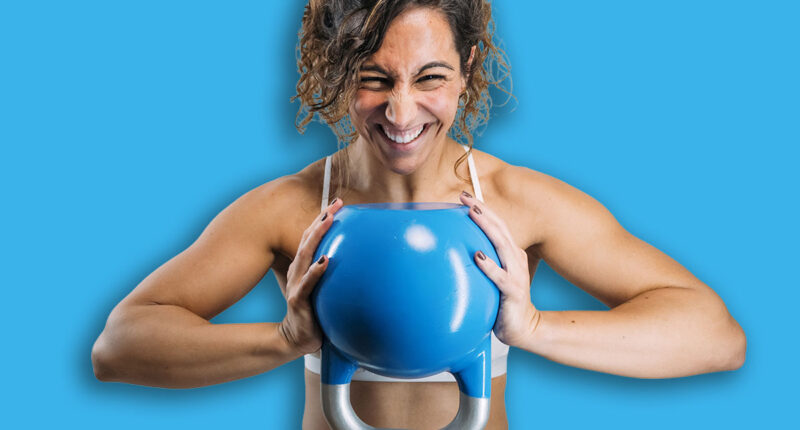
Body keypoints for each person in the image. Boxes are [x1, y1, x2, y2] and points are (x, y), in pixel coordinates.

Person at [91, 1, 747, 428]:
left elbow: (716, 337)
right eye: (375, 78)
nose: (401, 115)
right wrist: (283, 339)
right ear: (339, 73)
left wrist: (536, 326)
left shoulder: (519, 206)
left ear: (466, 70)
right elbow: (118, 346)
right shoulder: (291, 209)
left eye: (429, 78)